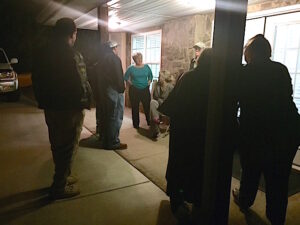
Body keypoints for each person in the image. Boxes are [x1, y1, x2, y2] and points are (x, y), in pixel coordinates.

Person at [233, 34, 300, 225]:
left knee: (251, 170)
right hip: (288, 130)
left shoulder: (245, 73)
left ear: (250, 52)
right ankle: (276, 218)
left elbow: (235, 100)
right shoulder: (280, 69)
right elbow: (287, 95)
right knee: (278, 180)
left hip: (257, 131)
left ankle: (245, 200)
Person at [32, 18, 92, 200]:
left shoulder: (42, 53)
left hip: (51, 108)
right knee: (68, 146)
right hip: (69, 109)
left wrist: (44, 101)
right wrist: (85, 102)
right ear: (73, 33)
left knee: (57, 145)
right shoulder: (72, 54)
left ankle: (63, 176)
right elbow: (80, 82)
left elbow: (36, 80)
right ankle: (59, 186)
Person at [159, 48, 213, 224]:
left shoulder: (187, 77)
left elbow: (173, 103)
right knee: (198, 166)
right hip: (202, 131)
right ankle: (196, 198)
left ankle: (176, 199)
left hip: (183, 129)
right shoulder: (216, 80)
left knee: (179, 164)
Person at [94, 41, 127, 150]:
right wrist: (122, 89)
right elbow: (118, 76)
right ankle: (113, 142)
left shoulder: (100, 60)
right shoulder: (114, 59)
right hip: (114, 90)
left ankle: (104, 139)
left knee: (107, 115)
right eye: (116, 47)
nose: (117, 49)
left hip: (104, 90)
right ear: (114, 48)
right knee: (115, 116)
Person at [124, 52, 153, 129]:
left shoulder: (146, 67)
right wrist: (131, 84)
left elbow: (151, 76)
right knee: (135, 108)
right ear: (134, 60)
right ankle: (136, 124)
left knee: (147, 107)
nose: (140, 60)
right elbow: (125, 77)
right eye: (137, 59)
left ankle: (149, 122)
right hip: (134, 90)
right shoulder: (131, 68)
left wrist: (148, 83)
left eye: (141, 58)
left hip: (145, 89)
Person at [150, 70, 174, 139]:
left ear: (164, 78)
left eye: (160, 76)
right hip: (159, 105)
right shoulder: (156, 85)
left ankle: (156, 124)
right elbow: (154, 97)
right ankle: (157, 130)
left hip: (167, 106)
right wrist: (153, 86)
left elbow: (173, 100)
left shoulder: (170, 87)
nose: (158, 78)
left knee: (155, 105)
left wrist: (163, 102)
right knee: (152, 103)